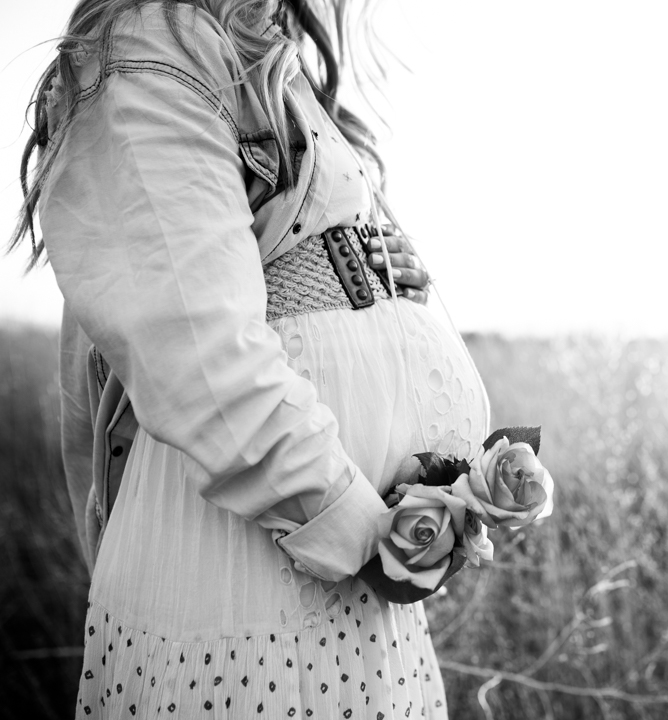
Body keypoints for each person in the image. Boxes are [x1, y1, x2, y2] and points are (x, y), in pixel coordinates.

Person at [11, 1, 490, 717]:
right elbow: (201, 356)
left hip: (335, 565)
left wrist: (381, 283)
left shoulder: (263, 55)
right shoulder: (149, 46)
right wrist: (367, 536)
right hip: (261, 563)